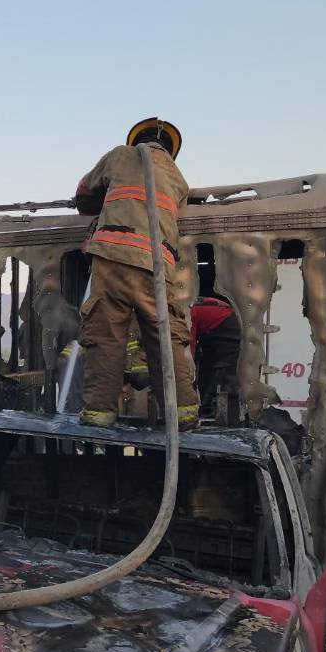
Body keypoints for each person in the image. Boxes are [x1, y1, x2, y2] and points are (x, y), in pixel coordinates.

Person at [74, 117, 200, 430]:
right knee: (164, 337)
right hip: (156, 266)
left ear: (136, 140)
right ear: (170, 150)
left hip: (113, 256)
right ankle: (183, 414)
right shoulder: (178, 177)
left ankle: (98, 415)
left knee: (106, 334)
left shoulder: (120, 155)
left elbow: (84, 195)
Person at [191, 296, 241, 417]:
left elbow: (189, 344)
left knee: (223, 371)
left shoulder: (188, 311)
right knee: (207, 368)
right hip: (218, 327)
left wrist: (189, 367)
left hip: (226, 327)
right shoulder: (195, 304)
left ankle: (219, 410)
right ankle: (206, 406)